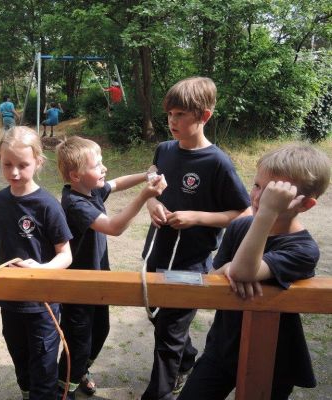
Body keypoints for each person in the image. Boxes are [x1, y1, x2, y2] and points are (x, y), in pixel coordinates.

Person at [178, 144, 331, 400]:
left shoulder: (303, 250)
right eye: (258, 186)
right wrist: (229, 268)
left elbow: (242, 272)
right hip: (223, 346)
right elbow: (216, 278)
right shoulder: (239, 227)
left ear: (305, 204)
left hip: (274, 357)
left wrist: (267, 213)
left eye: (274, 195)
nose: (260, 198)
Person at [141, 76, 251, 400]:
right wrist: (152, 203)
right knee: (158, 317)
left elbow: (243, 213)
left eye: (180, 115)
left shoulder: (217, 162)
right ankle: (186, 358)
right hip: (156, 253)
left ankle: (159, 393)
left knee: (168, 334)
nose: (172, 121)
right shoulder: (164, 149)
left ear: (204, 116)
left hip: (191, 264)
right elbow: (153, 175)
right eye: (169, 114)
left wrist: (197, 218)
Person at [55, 136, 168, 400]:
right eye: (97, 165)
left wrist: (145, 175)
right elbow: (114, 227)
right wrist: (144, 195)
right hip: (79, 287)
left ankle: (80, 371)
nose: (104, 168)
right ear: (76, 176)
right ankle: (62, 388)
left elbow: (116, 183)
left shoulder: (90, 190)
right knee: (78, 342)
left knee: (100, 330)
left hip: (97, 282)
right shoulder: (75, 203)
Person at [0, 126, 73, 400]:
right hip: (10, 301)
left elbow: (66, 255)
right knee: (20, 359)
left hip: (42, 304)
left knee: (43, 368)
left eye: (23, 165)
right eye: (7, 164)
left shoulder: (47, 205)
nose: (14, 172)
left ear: (38, 162)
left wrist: (41, 269)